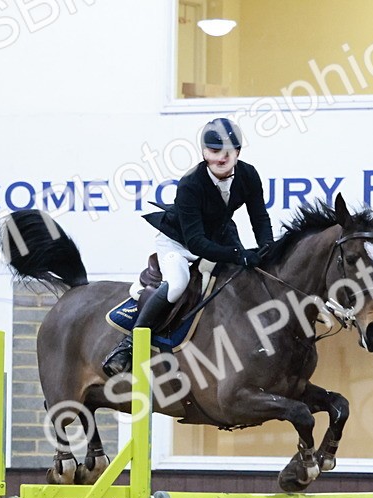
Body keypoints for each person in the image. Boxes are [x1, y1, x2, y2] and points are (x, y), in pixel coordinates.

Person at [102, 117, 275, 377]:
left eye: (227, 152)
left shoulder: (248, 175)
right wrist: (239, 254)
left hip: (219, 237)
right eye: (213, 151)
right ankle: (128, 345)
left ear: (237, 152)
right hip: (179, 242)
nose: (220, 158)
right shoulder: (191, 184)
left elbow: (259, 217)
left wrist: (266, 248)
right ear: (204, 152)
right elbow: (195, 242)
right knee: (177, 285)